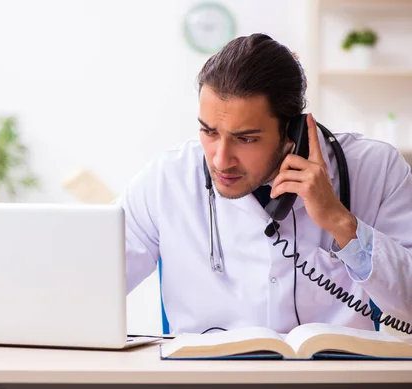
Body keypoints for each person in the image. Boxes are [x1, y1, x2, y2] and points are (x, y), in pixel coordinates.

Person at [115, 33, 412, 335]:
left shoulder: (377, 169)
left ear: (291, 130)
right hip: (205, 379)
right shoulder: (165, 180)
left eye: (246, 139)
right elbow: (91, 287)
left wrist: (340, 223)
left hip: (338, 379)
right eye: (209, 132)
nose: (220, 160)